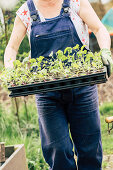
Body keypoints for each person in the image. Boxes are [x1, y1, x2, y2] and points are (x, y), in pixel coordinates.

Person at [4, 0, 113, 169]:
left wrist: (105, 50)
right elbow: (11, 48)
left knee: (90, 149)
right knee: (58, 150)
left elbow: (99, 29)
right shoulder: (26, 11)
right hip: (47, 94)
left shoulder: (77, 3)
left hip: (82, 88)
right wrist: (10, 70)